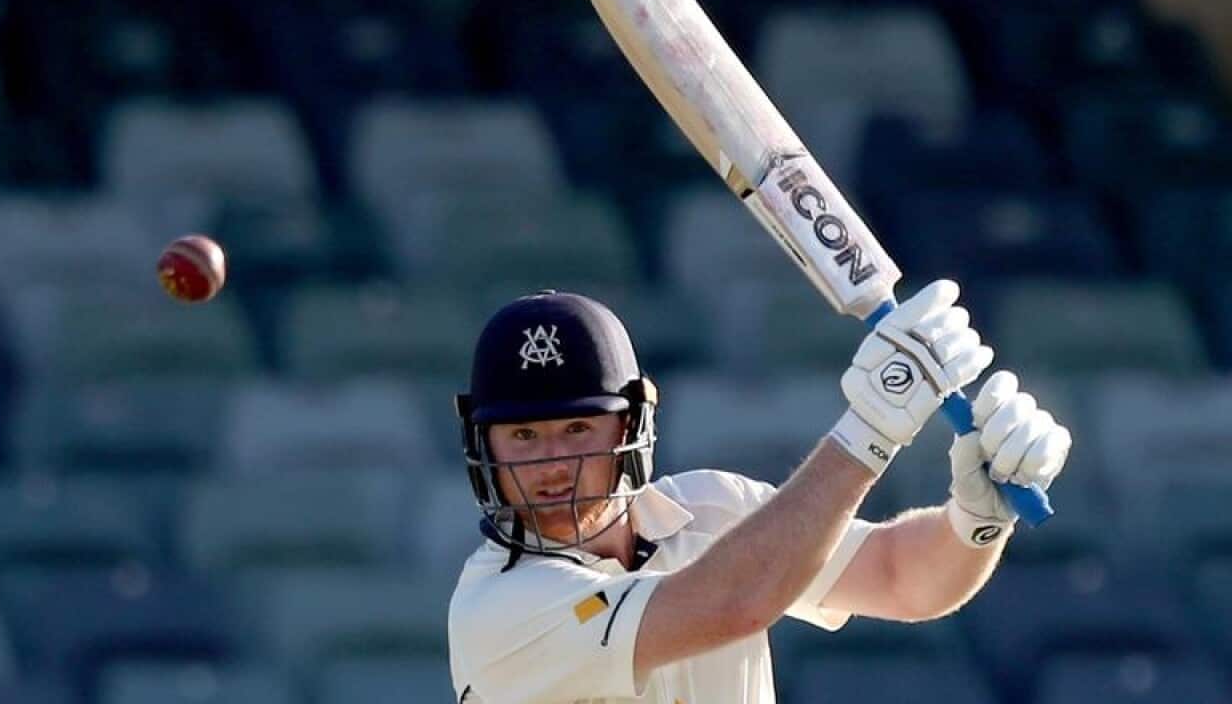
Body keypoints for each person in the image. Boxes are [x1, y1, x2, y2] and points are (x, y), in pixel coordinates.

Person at [448, 283, 1071, 703]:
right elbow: (734, 602)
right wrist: (870, 431)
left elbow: (900, 577)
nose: (552, 462)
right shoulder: (499, 607)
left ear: (631, 425)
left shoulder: (712, 510)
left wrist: (976, 520)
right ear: (486, 445)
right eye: (523, 434)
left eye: (578, 427)